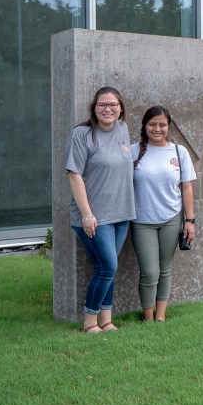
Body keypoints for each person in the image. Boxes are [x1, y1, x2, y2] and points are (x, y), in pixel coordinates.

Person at [65, 86, 135, 334]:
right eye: (103, 105)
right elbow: (74, 175)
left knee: (110, 267)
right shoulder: (82, 134)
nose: (108, 109)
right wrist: (87, 214)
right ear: (94, 108)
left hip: (122, 214)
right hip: (94, 217)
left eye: (113, 105)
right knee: (107, 267)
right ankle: (89, 322)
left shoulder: (123, 129)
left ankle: (106, 320)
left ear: (120, 109)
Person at [130, 105, 197, 322]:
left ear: (168, 127)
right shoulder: (132, 152)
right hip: (142, 221)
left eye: (162, 125)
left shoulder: (179, 152)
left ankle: (160, 317)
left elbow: (186, 187)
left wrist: (190, 221)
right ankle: (147, 318)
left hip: (171, 218)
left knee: (165, 268)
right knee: (150, 271)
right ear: (144, 126)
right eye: (152, 124)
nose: (157, 129)